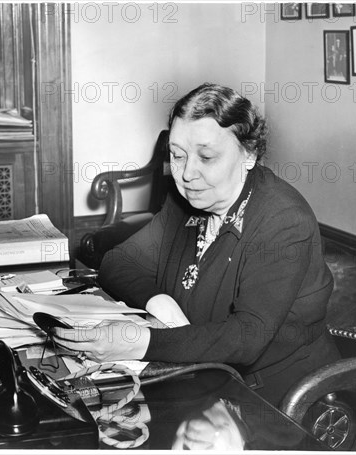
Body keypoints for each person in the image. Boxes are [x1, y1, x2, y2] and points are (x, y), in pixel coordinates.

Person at [54, 83, 340, 406]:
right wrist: (158, 301)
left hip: (276, 397)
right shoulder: (185, 200)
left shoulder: (284, 219)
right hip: (201, 375)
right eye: (177, 155)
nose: (187, 173)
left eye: (206, 157)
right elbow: (118, 261)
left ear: (249, 154)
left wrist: (140, 341)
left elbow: (246, 337)